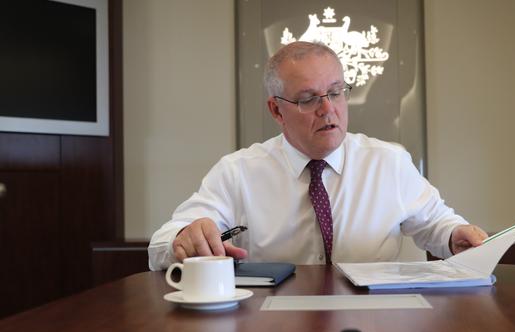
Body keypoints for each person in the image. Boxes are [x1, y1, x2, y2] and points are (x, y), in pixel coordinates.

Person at [148, 41, 487, 271]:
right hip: (269, 327)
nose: (328, 110)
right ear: (276, 110)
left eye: (336, 92)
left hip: (379, 320)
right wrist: (183, 239)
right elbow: (160, 245)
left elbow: (437, 225)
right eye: (309, 98)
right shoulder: (238, 172)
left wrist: (454, 237)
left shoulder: (388, 162)